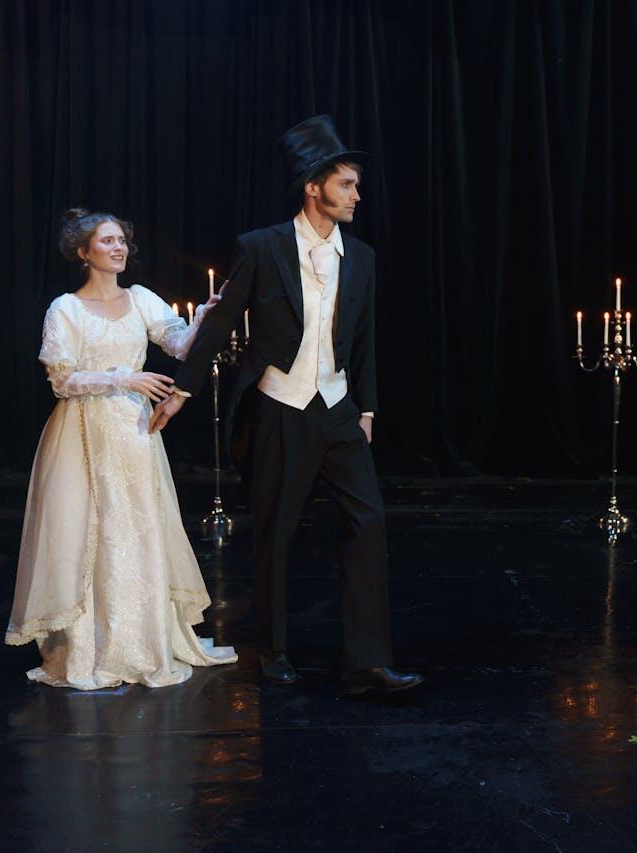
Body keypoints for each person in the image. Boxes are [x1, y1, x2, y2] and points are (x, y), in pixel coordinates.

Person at [150, 116, 423, 696]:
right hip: (281, 405)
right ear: (313, 187)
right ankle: (273, 651)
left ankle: (366, 664)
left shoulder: (363, 256)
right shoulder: (262, 247)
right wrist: (181, 392)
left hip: (340, 407)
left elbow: (366, 337)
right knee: (276, 531)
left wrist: (367, 409)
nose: (357, 195)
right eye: (347, 184)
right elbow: (221, 322)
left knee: (367, 521)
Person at [5, 208, 236, 689]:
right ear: (83, 252)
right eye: (107, 241)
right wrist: (123, 377)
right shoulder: (65, 308)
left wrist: (206, 319)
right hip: (83, 431)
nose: (118, 248)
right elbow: (62, 379)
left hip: (132, 433)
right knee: (86, 530)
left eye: (121, 240)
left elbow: (177, 343)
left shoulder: (140, 299)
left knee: (136, 526)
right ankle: (91, 646)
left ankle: (142, 638)